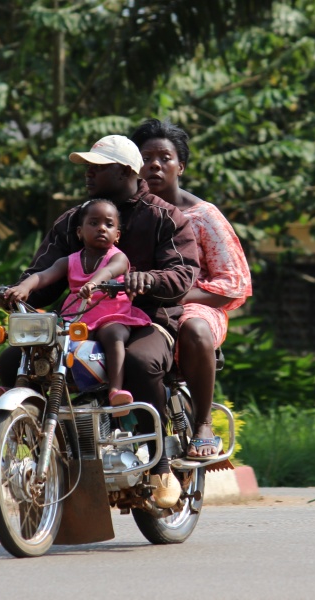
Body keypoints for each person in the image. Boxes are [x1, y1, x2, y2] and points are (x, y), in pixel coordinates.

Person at [0, 134, 199, 508]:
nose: (87, 174)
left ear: (124, 171)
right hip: (80, 319)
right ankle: (51, 446)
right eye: (86, 168)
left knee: (140, 362)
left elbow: (183, 275)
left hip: (146, 319)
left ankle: (160, 467)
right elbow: (42, 276)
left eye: (97, 167)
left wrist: (147, 279)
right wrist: (10, 292)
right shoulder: (73, 220)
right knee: (14, 359)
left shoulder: (165, 217)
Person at [131, 119, 252, 460]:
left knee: (195, 328)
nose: (154, 165)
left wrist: (174, 294)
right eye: (146, 158)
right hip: (135, 304)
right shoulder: (120, 213)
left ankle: (203, 425)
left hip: (195, 305)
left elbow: (232, 285)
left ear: (180, 166)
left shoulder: (203, 215)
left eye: (164, 158)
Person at [3, 198, 151, 415]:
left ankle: (116, 390)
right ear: (80, 232)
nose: (102, 228)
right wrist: (24, 287)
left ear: (117, 235)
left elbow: (109, 272)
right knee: (45, 341)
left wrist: (92, 283)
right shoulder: (69, 261)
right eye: (94, 223)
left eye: (109, 224)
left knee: (113, 335)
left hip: (113, 316)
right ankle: (23, 388)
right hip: (78, 318)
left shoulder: (118, 258)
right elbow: (43, 276)